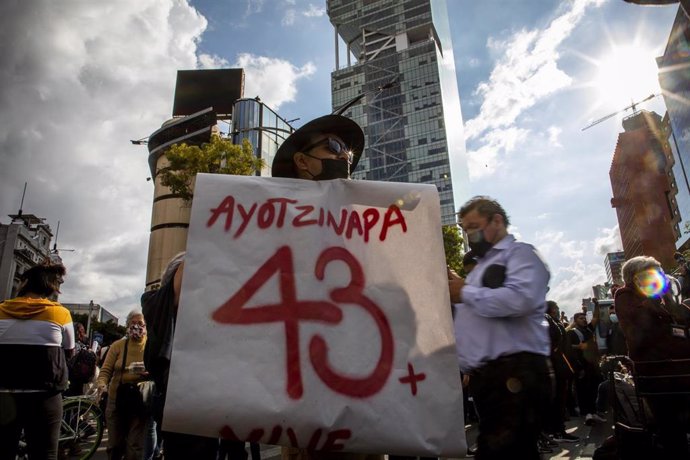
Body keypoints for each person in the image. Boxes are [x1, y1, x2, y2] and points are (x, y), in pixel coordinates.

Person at [448, 196, 551, 460]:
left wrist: (466, 292)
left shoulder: (520, 254)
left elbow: (521, 299)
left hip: (515, 373)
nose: (469, 234)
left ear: (497, 220)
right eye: (465, 228)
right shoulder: (479, 269)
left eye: (473, 225)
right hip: (488, 379)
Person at [141, 253, 225, 460]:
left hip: (205, 404)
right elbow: (186, 270)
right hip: (179, 402)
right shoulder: (155, 301)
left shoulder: (202, 313)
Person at [614, 255, 690, 457]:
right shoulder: (625, 295)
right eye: (652, 273)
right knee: (672, 429)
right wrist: (657, 297)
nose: (658, 277)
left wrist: (671, 301)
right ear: (634, 277)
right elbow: (643, 327)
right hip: (658, 376)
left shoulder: (663, 297)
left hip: (682, 371)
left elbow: (681, 321)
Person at [0, 262, 74, 460]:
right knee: (44, 453)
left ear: (24, 283)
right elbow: (69, 349)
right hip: (45, 396)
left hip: (5, 395)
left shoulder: (0, 311)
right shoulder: (60, 314)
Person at [97, 309, 153, 460]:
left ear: (146, 326)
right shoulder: (118, 346)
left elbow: (159, 370)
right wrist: (102, 385)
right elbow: (105, 371)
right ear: (127, 326)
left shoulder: (151, 345)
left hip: (140, 400)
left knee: (135, 446)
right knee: (115, 444)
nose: (137, 327)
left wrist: (150, 374)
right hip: (117, 400)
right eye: (133, 323)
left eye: (140, 324)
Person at [543, 301, 578, 443]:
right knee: (556, 399)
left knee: (560, 398)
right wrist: (553, 350)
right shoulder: (545, 318)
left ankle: (558, 429)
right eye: (555, 308)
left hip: (560, 364)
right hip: (554, 364)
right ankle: (555, 431)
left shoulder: (552, 320)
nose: (557, 310)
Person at [567, 302, 605, 425]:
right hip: (581, 365)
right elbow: (566, 347)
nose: (583, 320)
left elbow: (595, 318)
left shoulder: (588, 329)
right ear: (576, 320)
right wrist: (578, 346)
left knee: (595, 387)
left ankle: (594, 412)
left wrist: (596, 305)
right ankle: (587, 414)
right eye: (580, 318)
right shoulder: (572, 332)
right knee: (584, 389)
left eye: (584, 318)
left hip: (592, 364)